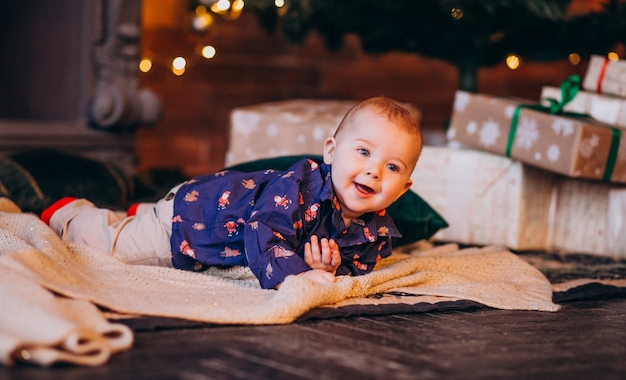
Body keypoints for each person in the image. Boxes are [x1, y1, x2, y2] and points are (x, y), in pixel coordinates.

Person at [41, 96, 423, 289]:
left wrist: (325, 270)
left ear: (403, 188)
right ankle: (72, 214)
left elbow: (349, 273)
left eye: (392, 167)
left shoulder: (374, 230)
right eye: (363, 151)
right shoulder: (298, 186)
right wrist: (297, 277)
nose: (374, 170)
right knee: (116, 248)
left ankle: (144, 212)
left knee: (144, 224)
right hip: (196, 221)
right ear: (331, 151)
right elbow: (264, 232)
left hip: (202, 209)